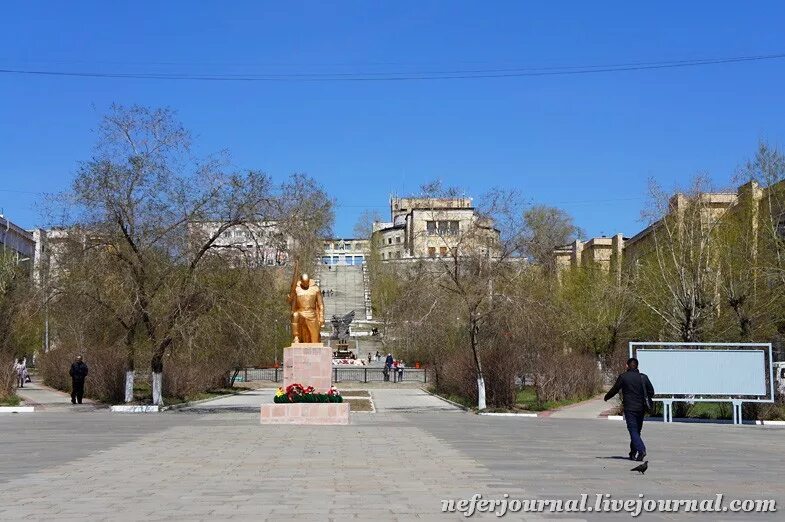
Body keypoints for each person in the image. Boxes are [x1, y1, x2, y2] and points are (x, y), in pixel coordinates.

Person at [604, 357, 655, 462]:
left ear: (627, 366)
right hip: (641, 408)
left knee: (632, 430)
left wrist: (606, 397)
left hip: (629, 408)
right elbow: (651, 391)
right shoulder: (643, 377)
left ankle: (641, 450)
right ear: (637, 366)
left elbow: (615, 389)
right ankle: (633, 453)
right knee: (637, 431)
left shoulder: (623, 377)